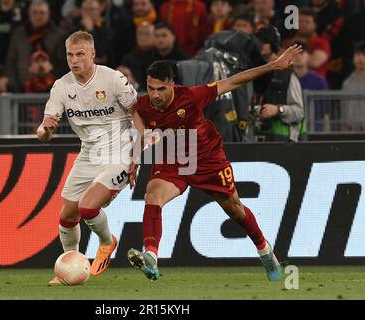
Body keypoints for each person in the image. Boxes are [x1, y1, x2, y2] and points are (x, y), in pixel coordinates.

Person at [126, 45, 302, 281]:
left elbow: (233, 82)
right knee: (152, 195)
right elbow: (140, 131)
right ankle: (151, 257)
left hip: (208, 159)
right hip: (172, 162)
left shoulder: (191, 96)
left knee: (234, 209)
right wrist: (134, 160)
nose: (155, 94)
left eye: (161, 89)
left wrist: (272, 66)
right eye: (150, 88)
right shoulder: (144, 105)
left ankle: (264, 250)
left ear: (172, 84)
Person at [36, 31, 138, 283]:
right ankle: (70, 265)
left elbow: (139, 116)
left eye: (80, 54)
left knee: (88, 206)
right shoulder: (61, 86)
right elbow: (46, 128)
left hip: (121, 151)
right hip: (89, 153)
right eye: (70, 54)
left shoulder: (114, 79)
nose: (74, 60)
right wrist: (44, 131)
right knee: (67, 215)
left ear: (92, 53)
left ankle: (107, 241)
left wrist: (136, 156)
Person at [254, 26, 306, 142]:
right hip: (259, 139)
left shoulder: (287, 74)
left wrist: (278, 109)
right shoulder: (253, 72)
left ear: (273, 44)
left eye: (263, 41)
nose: (258, 45)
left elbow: (299, 112)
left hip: (286, 141)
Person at [341, 41, 365, 131]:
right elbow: (344, 108)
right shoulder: (347, 83)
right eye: (357, 55)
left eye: (364, 55)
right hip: (352, 131)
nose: (360, 58)